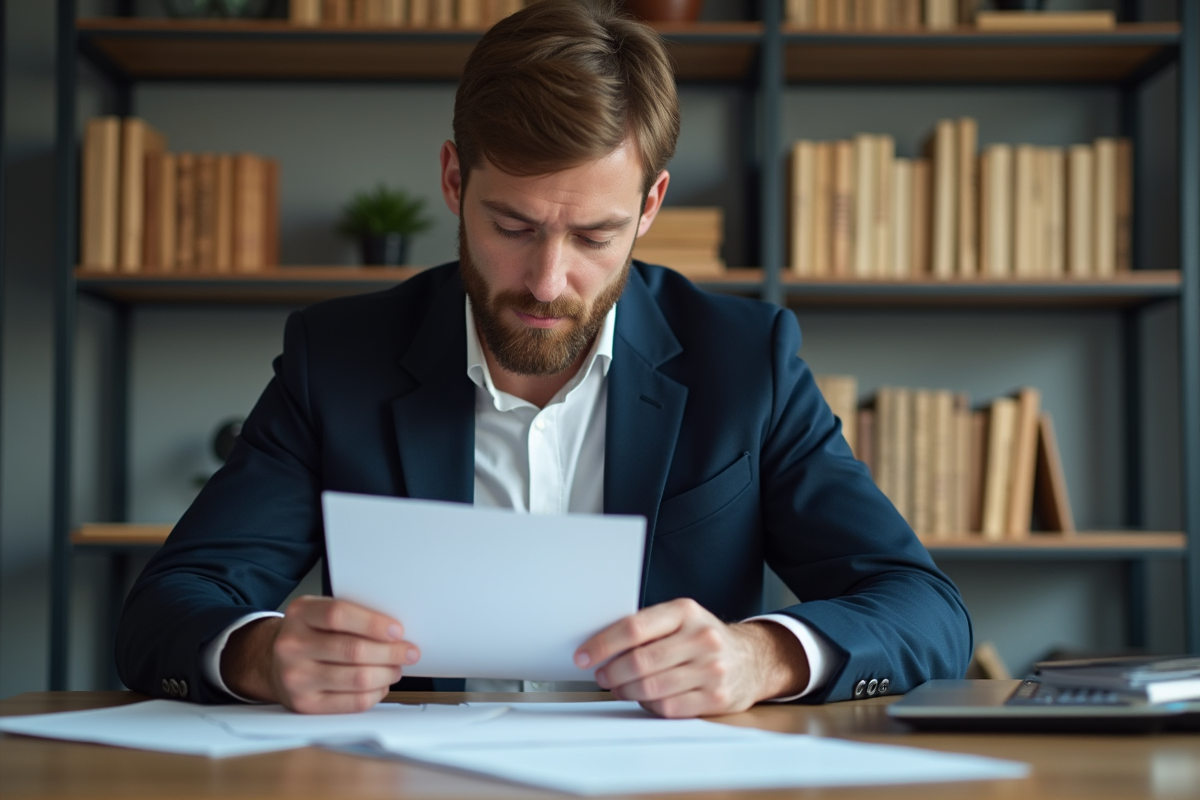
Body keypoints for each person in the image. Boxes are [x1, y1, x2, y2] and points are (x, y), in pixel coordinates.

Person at [116, 0, 971, 718]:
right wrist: (260, 654)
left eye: (594, 235)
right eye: (513, 227)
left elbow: (926, 611)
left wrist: (764, 657)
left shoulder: (745, 361)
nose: (548, 281)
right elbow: (164, 610)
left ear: (650, 206)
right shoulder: (336, 357)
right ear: (455, 182)